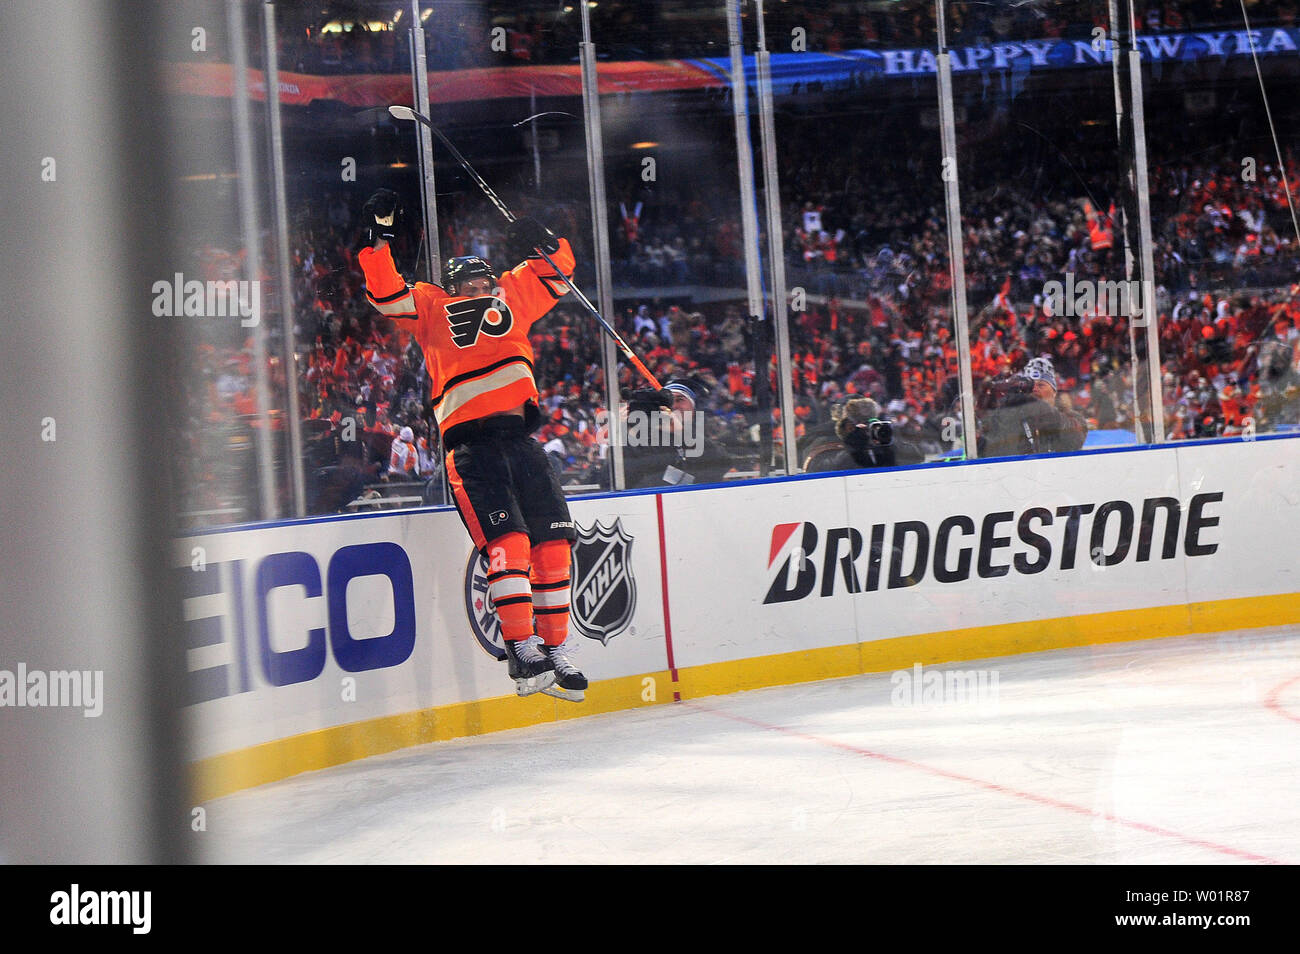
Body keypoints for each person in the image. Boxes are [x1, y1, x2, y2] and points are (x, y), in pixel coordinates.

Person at [356, 188, 586, 701]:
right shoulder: (433, 306)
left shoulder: (511, 293)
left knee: (553, 544)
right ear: (452, 286)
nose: (479, 285)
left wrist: (542, 239)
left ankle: (554, 649)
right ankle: (522, 647)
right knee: (511, 544)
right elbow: (386, 294)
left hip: (523, 440)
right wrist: (378, 240)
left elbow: (560, 269)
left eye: (484, 278)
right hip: (473, 446)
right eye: (469, 281)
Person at [979, 355, 1087, 459]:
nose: (1034, 389)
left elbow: (1075, 439)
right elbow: (992, 450)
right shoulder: (1017, 420)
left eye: (1041, 385)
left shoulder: (1072, 417)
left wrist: (1032, 402)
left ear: (1054, 391)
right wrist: (1005, 408)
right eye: (1030, 386)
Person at [802, 397, 897, 473]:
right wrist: (853, 449)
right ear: (848, 426)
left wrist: (888, 446)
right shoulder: (822, 440)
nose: (867, 428)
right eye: (861, 422)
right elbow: (818, 471)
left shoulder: (880, 438)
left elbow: (907, 459)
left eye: (870, 421)